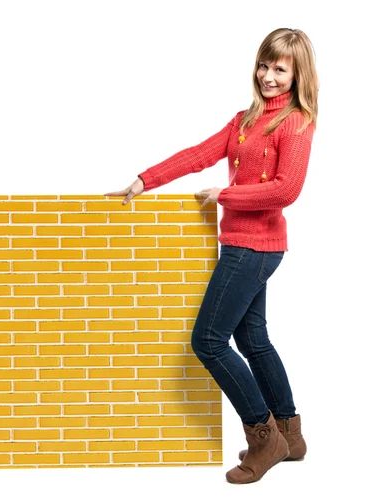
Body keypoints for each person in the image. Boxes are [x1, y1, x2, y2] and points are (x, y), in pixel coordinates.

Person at [104, 28, 318, 484]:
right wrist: (145, 180)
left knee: (208, 341)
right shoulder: (244, 119)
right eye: (265, 65)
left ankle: (265, 439)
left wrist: (228, 194)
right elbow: (200, 153)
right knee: (253, 340)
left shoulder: (296, 122)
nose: (269, 76)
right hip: (243, 245)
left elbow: (287, 189)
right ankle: (289, 433)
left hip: (254, 247)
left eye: (281, 69)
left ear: (299, 76)